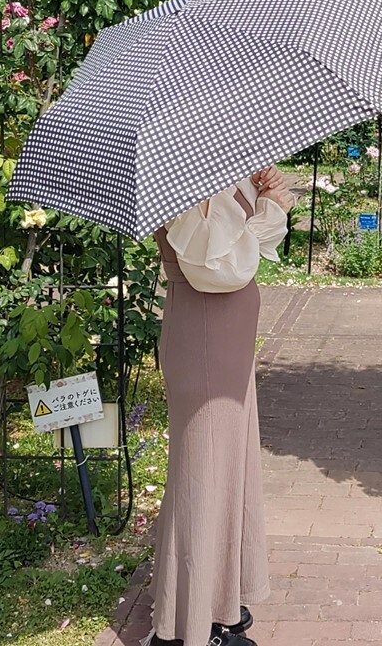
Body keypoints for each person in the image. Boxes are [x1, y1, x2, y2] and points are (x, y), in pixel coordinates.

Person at [147, 165, 296, 646]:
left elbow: (254, 245)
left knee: (226, 471)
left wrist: (263, 195)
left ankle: (220, 600)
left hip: (226, 346)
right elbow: (219, 270)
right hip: (205, 342)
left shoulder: (218, 174)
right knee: (202, 476)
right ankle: (191, 623)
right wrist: (270, 207)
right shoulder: (183, 182)